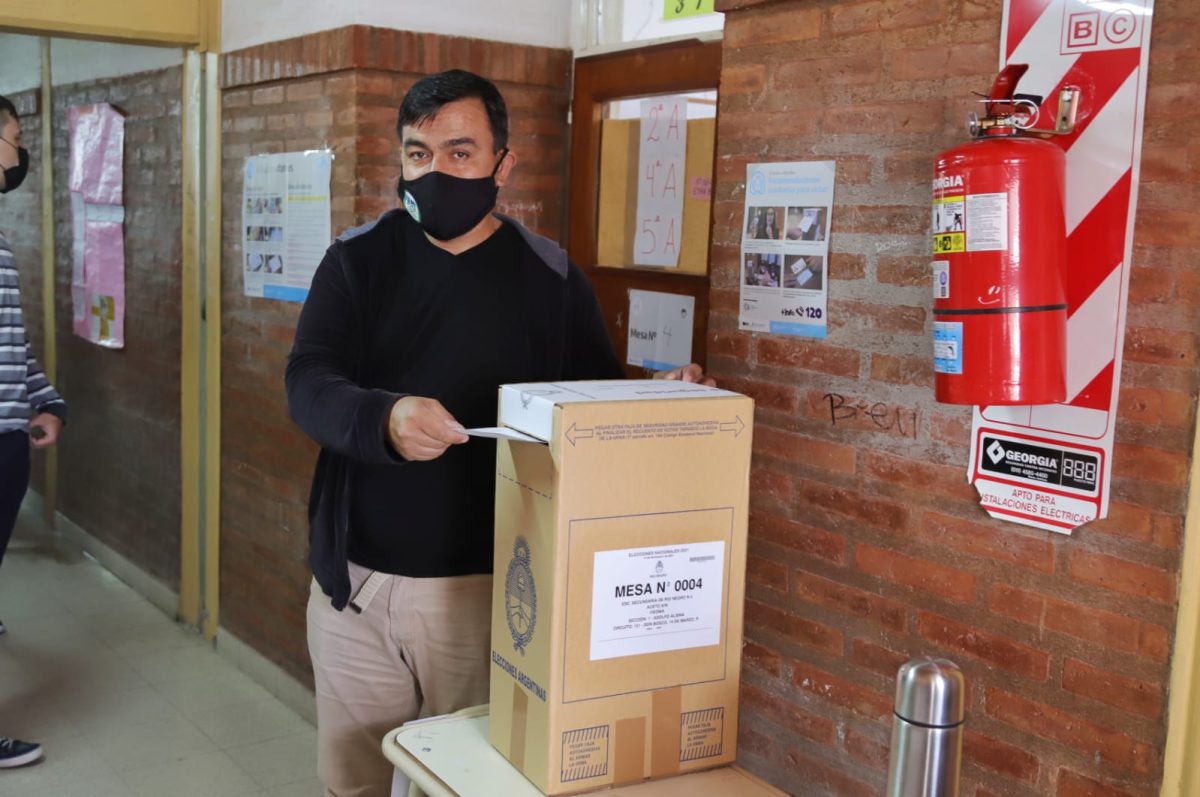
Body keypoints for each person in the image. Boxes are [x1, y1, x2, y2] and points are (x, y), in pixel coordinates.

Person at [285, 70, 713, 797]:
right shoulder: (355, 259)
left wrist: (653, 401)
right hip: (356, 584)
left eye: (458, 153)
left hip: (491, 590)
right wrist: (384, 416)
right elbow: (309, 384)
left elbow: (590, 407)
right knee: (351, 781)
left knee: (463, 782)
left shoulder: (550, 277)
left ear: (502, 165)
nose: (435, 172)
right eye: (418, 155)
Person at [0, 94, 67, 769]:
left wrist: (46, 401)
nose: (19, 153)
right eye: (15, 138)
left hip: (8, 435)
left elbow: (9, 348)